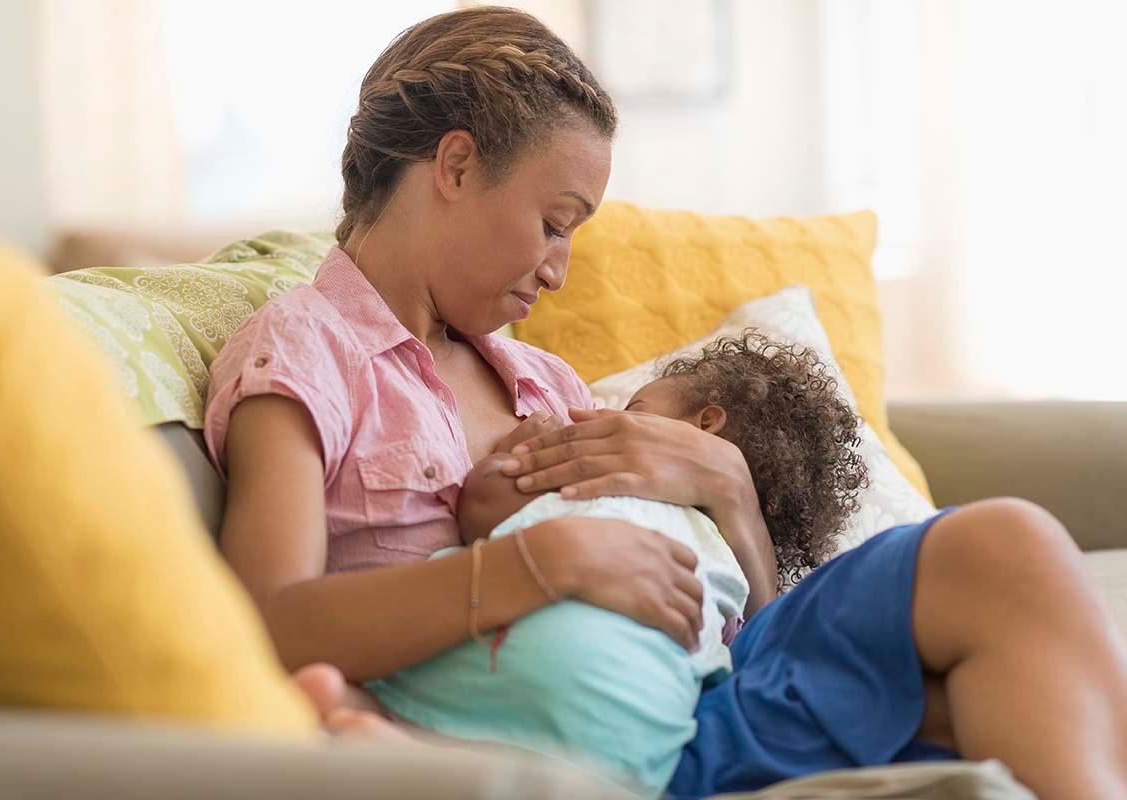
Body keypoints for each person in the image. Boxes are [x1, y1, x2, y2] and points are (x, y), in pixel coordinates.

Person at [205, 7, 1127, 798]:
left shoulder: (544, 382)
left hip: (705, 695)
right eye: (553, 224)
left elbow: (736, 625)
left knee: (1009, 567)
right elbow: (264, 623)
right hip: (565, 722)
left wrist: (730, 495)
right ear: (454, 165)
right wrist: (533, 567)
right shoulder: (306, 355)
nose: (558, 270)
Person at [362, 333, 868, 798]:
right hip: (634, 746)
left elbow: (484, 509)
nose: (602, 414)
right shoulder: (729, 566)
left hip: (519, 674)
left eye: (632, 408)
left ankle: (368, 723)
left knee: (367, 682)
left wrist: (509, 458)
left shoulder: (609, 480)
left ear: (706, 424)